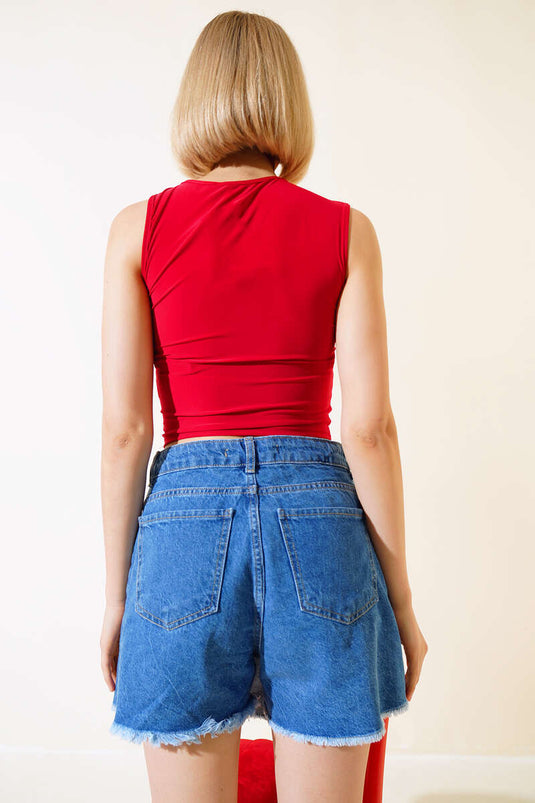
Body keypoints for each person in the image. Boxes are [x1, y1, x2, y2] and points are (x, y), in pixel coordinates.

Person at [100, 10, 428, 803]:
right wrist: (402, 602)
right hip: (318, 522)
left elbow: (125, 433)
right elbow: (368, 430)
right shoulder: (346, 232)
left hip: (180, 524)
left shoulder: (136, 231)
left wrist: (115, 600)